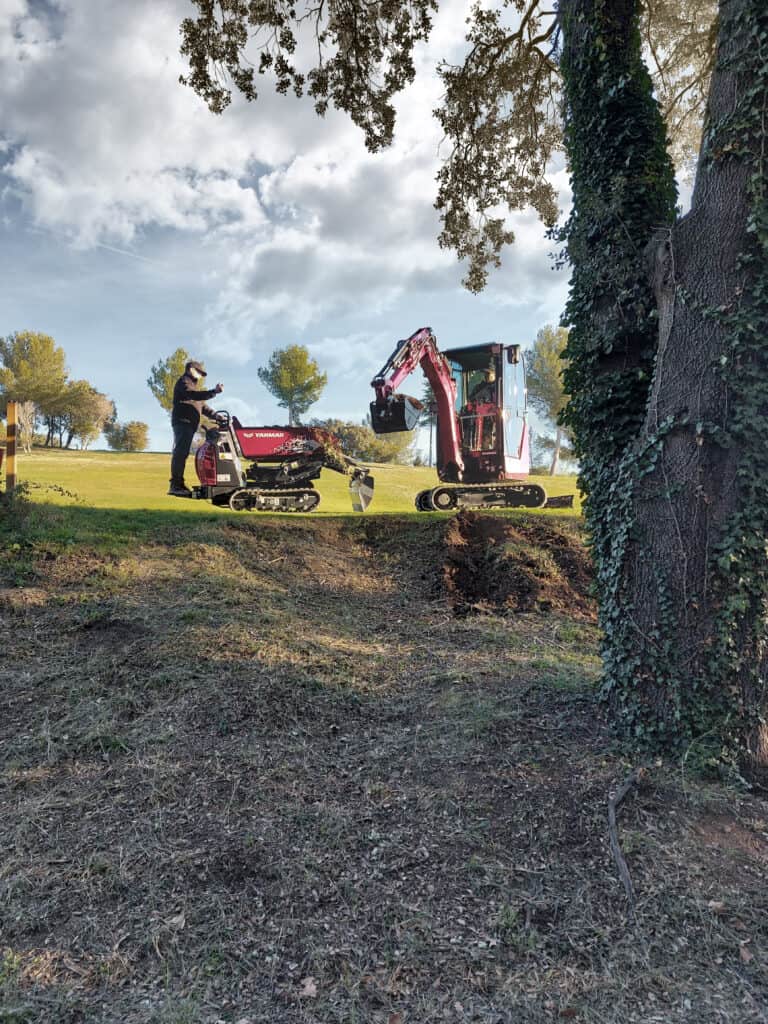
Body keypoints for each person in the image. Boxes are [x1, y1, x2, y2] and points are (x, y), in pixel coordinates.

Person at [168, 359, 223, 497]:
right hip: (183, 422)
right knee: (181, 452)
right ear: (191, 369)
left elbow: (201, 406)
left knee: (183, 452)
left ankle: (178, 484)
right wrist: (213, 392)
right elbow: (193, 395)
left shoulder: (193, 387)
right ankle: (175, 485)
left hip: (189, 424)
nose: (200, 375)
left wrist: (216, 416)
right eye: (199, 372)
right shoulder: (184, 382)